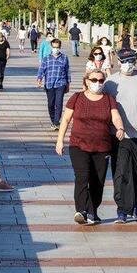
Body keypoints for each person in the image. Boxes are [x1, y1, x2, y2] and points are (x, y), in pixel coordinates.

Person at [55, 70, 125, 225]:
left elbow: (116, 116)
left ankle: (93, 211)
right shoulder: (76, 97)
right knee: (82, 177)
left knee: (97, 181)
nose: (97, 83)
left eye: (101, 81)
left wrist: (120, 128)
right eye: (94, 80)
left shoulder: (108, 99)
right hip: (78, 145)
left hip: (102, 147)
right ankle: (81, 210)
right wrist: (60, 141)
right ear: (86, 81)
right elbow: (66, 120)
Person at [104, 49, 137, 223]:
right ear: (118, 61)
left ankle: (133, 201)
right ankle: (122, 209)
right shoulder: (111, 81)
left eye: (131, 61)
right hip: (119, 135)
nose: (128, 64)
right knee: (120, 174)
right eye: (124, 61)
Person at [36, 38, 70, 131]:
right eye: (54, 47)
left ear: (60, 47)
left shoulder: (64, 58)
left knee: (59, 103)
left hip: (61, 84)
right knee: (51, 104)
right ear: (51, 47)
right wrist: (39, 79)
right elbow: (41, 69)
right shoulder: (46, 58)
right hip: (49, 84)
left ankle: (56, 122)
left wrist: (68, 83)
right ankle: (53, 120)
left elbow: (67, 71)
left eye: (57, 47)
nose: (56, 49)